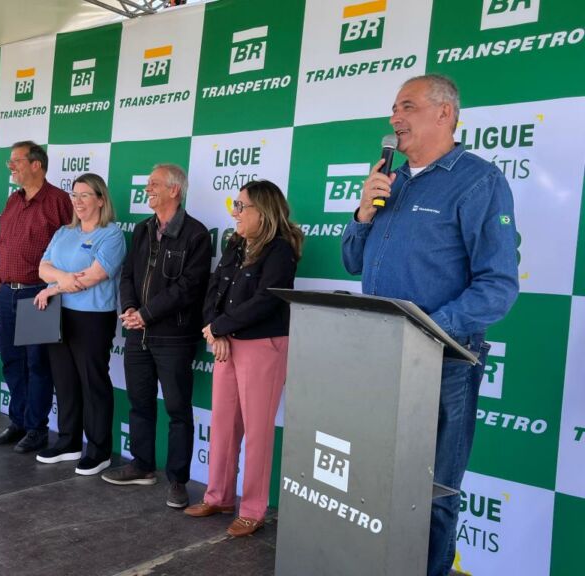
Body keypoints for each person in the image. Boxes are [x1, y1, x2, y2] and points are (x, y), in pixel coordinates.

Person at [341, 74, 519, 576]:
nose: (395, 118)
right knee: (378, 482)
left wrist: (427, 331)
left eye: (408, 107)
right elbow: (352, 260)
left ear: (445, 113)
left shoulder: (479, 181)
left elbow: (498, 286)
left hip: (444, 366)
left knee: (432, 492)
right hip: (379, 358)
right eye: (394, 109)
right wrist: (363, 212)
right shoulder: (388, 181)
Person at [184, 180, 303, 537]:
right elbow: (215, 287)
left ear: (262, 211)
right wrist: (213, 328)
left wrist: (220, 326)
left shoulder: (280, 251)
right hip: (227, 341)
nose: (234, 212)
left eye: (241, 206)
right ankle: (218, 495)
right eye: (234, 205)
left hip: (262, 345)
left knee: (257, 432)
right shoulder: (235, 243)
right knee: (222, 423)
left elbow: (266, 300)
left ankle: (253, 509)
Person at [101, 164, 211, 509]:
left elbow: (189, 288)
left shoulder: (196, 234)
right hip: (138, 335)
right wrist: (132, 308)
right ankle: (142, 465)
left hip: (173, 337)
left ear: (174, 190)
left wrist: (146, 315)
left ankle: (178, 480)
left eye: (154, 184)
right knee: (140, 404)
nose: (147, 189)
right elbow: (128, 276)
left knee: (178, 411)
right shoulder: (143, 228)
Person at [33, 173, 126, 475]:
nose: (78, 201)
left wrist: (54, 286)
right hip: (57, 312)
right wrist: (60, 281)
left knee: (92, 381)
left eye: (85, 195)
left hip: (93, 317)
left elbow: (96, 275)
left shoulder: (111, 234)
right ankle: (69, 442)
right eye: (75, 195)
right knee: (65, 380)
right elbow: (42, 268)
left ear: (101, 200)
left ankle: (99, 451)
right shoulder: (63, 232)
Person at [0, 141, 72, 453]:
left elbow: (69, 248)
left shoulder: (59, 201)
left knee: (37, 363)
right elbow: (2, 245)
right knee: (12, 361)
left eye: (16, 161)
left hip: (40, 294)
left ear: (36, 164)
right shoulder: (13, 201)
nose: (11, 166)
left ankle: (36, 428)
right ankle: (19, 421)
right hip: (7, 292)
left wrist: (53, 287)